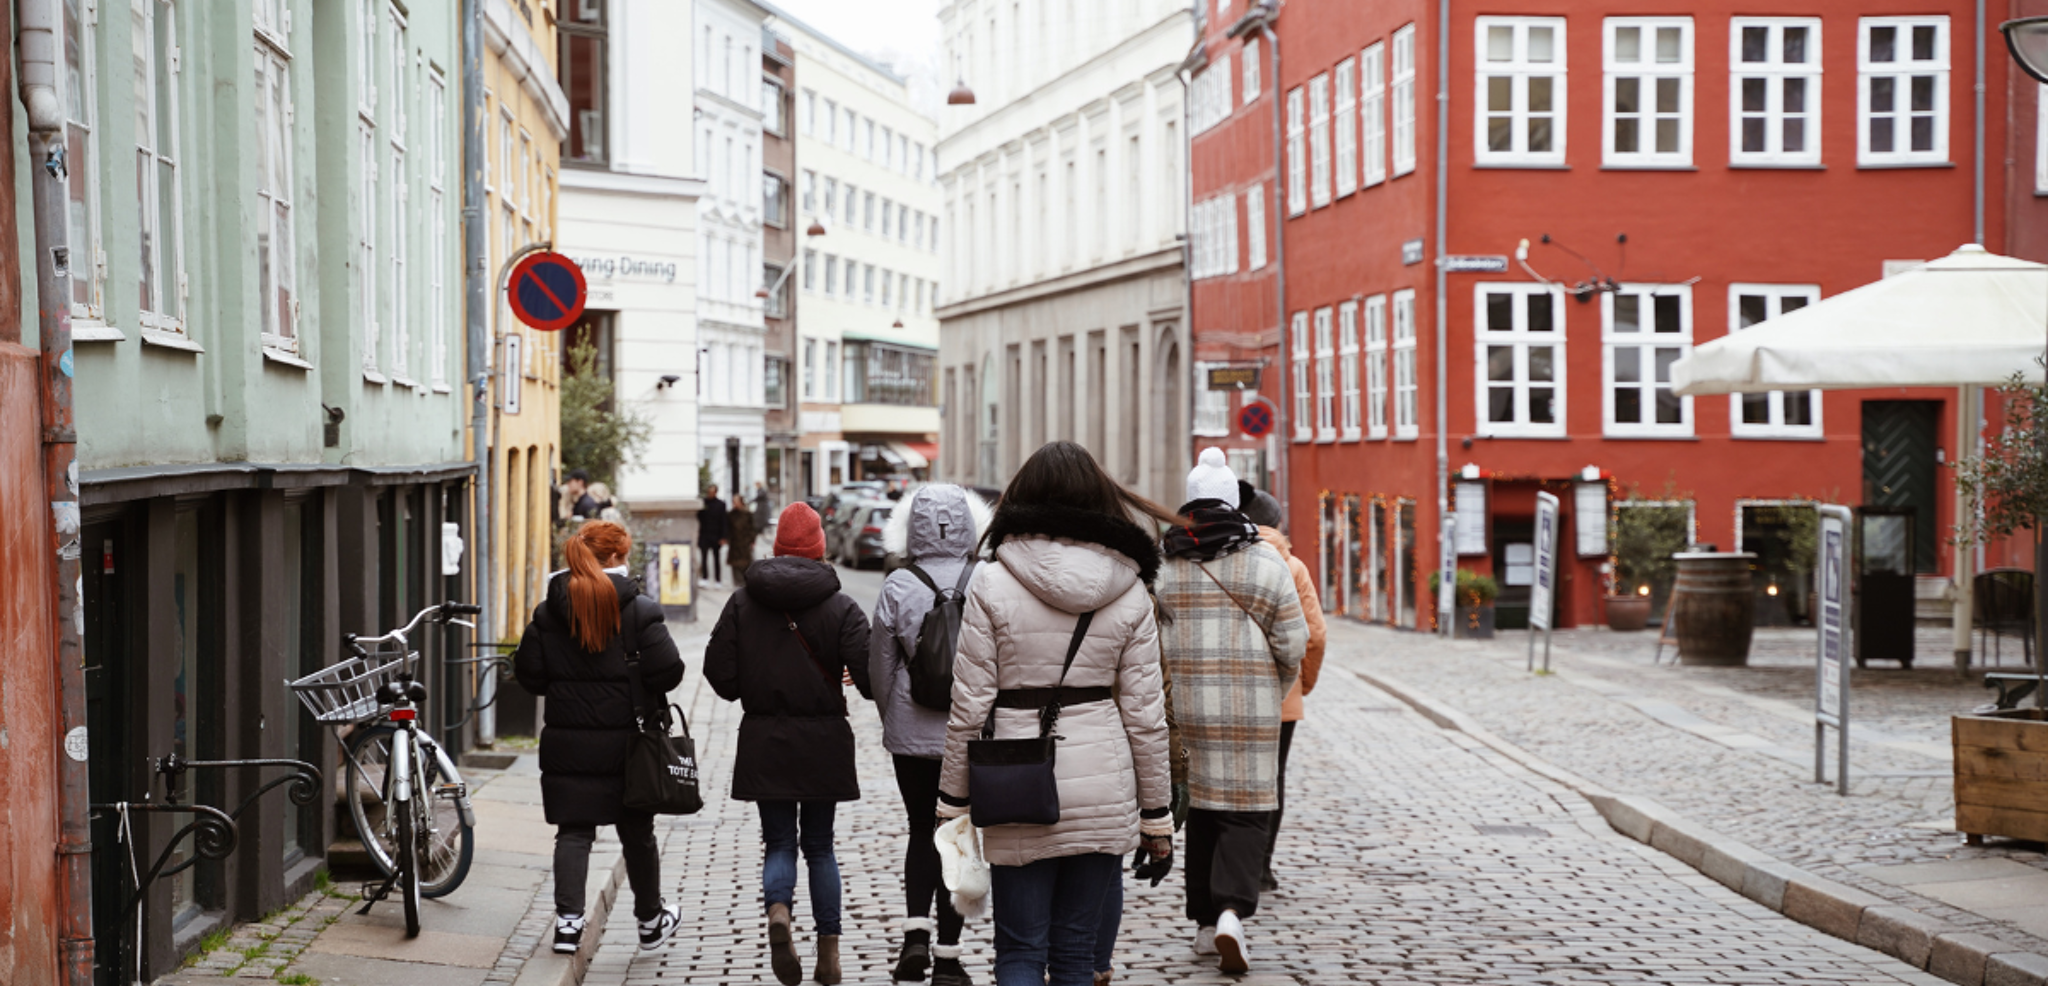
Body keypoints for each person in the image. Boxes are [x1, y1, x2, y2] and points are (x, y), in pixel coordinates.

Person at [936, 441, 1175, 986]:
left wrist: (952, 800)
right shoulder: (1130, 587)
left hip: (1015, 780)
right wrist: (1156, 815)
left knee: (1020, 949)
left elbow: (969, 704)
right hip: (1104, 782)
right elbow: (1145, 715)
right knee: (1075, 952)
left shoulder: (991, 580)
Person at [704, 502, 874, 986]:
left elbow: (720, 675)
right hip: (823, 741)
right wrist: (847, 672)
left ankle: (779, 910)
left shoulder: (743, 602)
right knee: (820, 846)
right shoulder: (842, 606)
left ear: (777, 546)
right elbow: (871, 679)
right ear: (820, 547)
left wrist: (753, 678)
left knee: (779, 841)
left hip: (766, 739)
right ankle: (829, 953)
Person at [1154, 448, 1306, 974]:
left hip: (1187, 708)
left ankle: (1202, 924)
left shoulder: (1166, 561)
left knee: (1201, 811)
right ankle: (1231, 912)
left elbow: (1150, 640)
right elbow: (1294, 642)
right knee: (1246, 813)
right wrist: (1273, 686)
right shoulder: (1265, 560)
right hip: (1250, 708)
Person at [513, 521, 685, 957]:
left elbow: (529, 676)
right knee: (637, 833)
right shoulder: (639, 610)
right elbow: (669, 671)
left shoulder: (549, 611)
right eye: (623, 555)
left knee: (573, 832)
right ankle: (650, 923)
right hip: (630, 743)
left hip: (568, 744)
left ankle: (568, 926)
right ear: (612, 558)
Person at [869, 485, 994, 985]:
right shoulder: (985, 578)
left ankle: (914, 936)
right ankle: (947, 957)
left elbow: (881, 670)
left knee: (920, 829)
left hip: (911, 733)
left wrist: (895, 719)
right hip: (971, 733)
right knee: (958, 834)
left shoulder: (899, 584)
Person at [1238, 485, 1326, 892]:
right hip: (1280, 695)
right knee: (1272, 779)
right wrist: (1302, 684)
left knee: (1229, 778)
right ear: (1276, 523)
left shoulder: (1225, 559)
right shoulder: (1292, 566)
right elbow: (1315, 635)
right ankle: (1261, 867)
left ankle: (1228, 864)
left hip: (1230, 690)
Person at [700, 484, 729, 585]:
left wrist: (724, 536)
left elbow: (724, 521)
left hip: (716, 535)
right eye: (709, 492)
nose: (710, 494)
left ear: (716, 492)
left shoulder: (721, 504)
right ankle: (704, 577)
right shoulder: (703, 503)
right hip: (704, 534)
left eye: (712, 492)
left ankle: (718, 579)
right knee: (704, 557)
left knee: (716, 558)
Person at [729, 495, 759, 585]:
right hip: (734, 542)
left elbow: (752, 528)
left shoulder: (748, 514)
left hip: (745, 541)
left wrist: (752, 540)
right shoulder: (731, 514)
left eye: (736, 502)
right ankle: (737, 582)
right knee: (735, 563)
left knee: (746, 562)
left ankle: (745, 581)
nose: (734, 504)